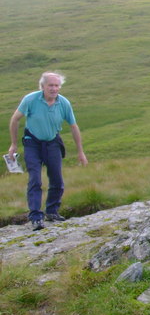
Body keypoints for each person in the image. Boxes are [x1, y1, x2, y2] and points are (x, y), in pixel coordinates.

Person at [8, 72, 88, 230]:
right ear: (43, 86)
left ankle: (52, 211)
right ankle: (36, 216)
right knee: (35, 179)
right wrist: (14, 144)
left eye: (57, 85)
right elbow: (15, 119)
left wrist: (80, 152)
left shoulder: (64, 103)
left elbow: (73, 126)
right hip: (32, 143)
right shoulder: (30, 99)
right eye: (50, 85)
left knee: (57, 180)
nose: (54, 88)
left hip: (52, 143)